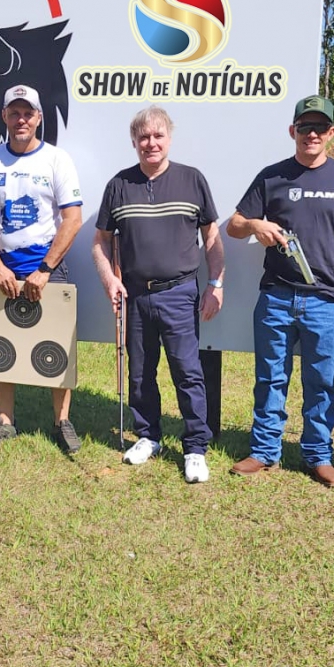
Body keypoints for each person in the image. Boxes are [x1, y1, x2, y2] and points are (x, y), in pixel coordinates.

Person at [226, 95, 334, 488]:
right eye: (304, 127)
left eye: (319, 128)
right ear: (292, 131)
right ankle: (264, 450)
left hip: (325, 298)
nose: (311, 134)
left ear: (331, 133)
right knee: (270, 377)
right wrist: (257, 226)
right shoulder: (272, 176)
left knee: (321, 380)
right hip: (276, 295)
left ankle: (318, 454)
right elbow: (233, 225)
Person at [92, 106, 224, 484]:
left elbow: (211, 236)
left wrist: (217, 282)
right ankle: (148, 436)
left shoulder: (192, 180)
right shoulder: (119, 184)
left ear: (169, 137)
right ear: (134, 142)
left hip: (180, 293)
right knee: (140, 373)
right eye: (143, 137)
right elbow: (100, 241)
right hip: (135, 296)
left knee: (187, 371)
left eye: (158, 136)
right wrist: (108, 279)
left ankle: (196, 446)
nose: (151, 143)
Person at [0, 85, 84, 453]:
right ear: (4, 116)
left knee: (56, 344)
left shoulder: (56, 159)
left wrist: (46, 268)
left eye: (28, 113)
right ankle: (4, 420)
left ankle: (62, 421)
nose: (21, 120)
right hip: (4, 267)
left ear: (39, 118)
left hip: (47, 269)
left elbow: (73, 218)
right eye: (14, 113)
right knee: (0, 345)